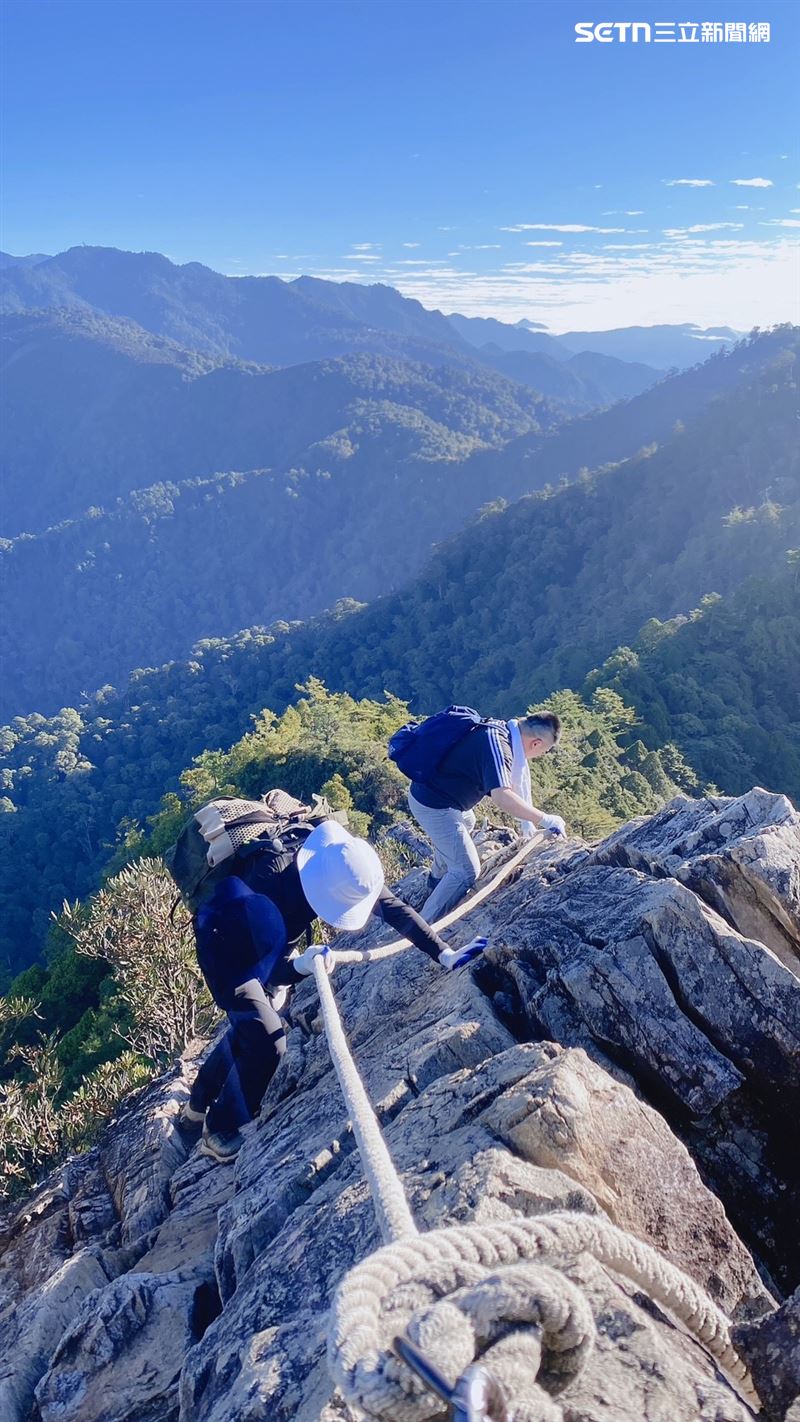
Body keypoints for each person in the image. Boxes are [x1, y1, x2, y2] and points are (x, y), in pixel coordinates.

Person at [179, 819, 486, 1163]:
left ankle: (195, 1106)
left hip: (266, 934)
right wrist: (300, 965)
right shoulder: (268, 884)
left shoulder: (336, 862)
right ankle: (218, 1127)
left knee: (252, 1026)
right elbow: (265, 968)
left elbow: (393, 909)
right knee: (267, 1041)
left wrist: (443, 952)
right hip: (226, 945)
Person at [406, 711, 566, 923]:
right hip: (434, 806)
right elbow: (502, 796)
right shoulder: (499, 747)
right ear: (536, 744)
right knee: (466, 870)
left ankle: (437, 877)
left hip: (441, 799)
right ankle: (421, 927)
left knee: (468, 822)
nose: (539, 755)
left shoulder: (500, 729)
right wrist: (545, 819)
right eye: (544, 751)